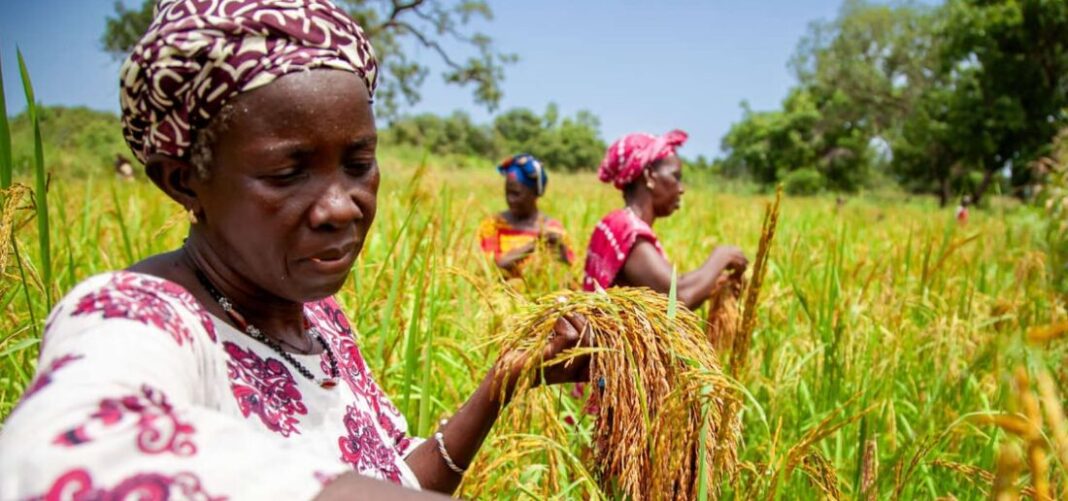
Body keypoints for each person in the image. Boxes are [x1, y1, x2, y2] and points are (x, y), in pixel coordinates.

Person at [0, 1, 591, 499]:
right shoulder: (136, 317)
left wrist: (506, 382)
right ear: (182, 181)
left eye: (359, 164)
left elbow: (394, 479)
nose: (341, 206)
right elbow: (55, 454)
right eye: (287, 172)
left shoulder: (318, 317)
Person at [582, 130, 749, 311]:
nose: (681, 189)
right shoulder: (628, 230)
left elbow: (671, 289)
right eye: (675, 177)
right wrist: (721, 256)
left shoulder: (614, 223)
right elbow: (676, 298)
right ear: (649, 176)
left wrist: (712, 283)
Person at [477, 153, 574, 276]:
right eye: (507, 193)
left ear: (534, 194)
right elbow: (492, 267)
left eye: (516, 194)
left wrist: (561, 250)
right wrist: (535, 244)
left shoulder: (554, 228)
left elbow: (567, 275)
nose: (510, 199)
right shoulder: (493, 225)